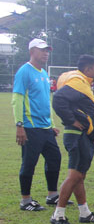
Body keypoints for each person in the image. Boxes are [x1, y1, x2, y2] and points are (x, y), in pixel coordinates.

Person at [50, 54, 94, 224]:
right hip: (77, 134)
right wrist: (71, 120)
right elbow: (58, 99)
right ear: (87, 69)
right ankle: (58, 215)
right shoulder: (78, 82)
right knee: (74, 175)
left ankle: (85, 213)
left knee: (80, 175)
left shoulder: (79, 80)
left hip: (79, 134)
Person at [12, 38, 64, 211]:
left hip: (45, 127)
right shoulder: (24, 71)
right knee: (29, 162)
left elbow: (45, 101)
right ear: (32, 51)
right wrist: (19, 125)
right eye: (42, 50)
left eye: (47, 50)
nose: (46, 53)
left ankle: (52, 195)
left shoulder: (43, 73)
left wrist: (52, 123)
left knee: (55, 158)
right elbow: (17, 99)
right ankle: (25, 200)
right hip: (30, 127)